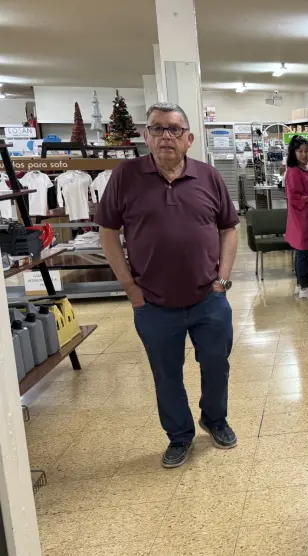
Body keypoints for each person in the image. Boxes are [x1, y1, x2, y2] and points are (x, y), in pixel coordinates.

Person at [96, 102, 239, 469]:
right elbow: (108, 233)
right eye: (157, 129)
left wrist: (222, 280)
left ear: (189, 139)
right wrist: (129, 287)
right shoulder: (126, 176)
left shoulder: (208, 177)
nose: (166, 137)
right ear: (146, 136)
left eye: (174, 129)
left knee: (216, 364)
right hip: (155, 304)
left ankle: (215, 418)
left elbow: (228, 228)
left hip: (209, 299)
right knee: (166, 374)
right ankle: (179, 435)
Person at [284, 135, 308, 299]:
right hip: (300, 218)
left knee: (301, 252)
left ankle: (300, 285)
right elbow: (293, 197)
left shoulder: (303, 170)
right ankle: (305, 288)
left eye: (306, 151)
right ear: (293, 153)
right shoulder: (293, 172)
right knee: (302, 253)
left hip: (305, 217)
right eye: (300, 151)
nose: (304, 154)